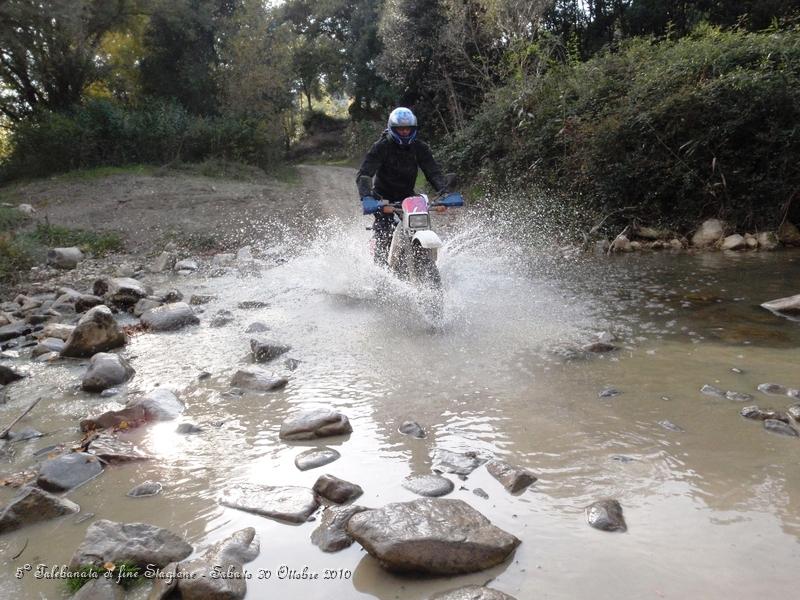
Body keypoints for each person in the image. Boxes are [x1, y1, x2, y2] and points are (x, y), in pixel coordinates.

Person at [356, 107, 447, 264]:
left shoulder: (420, 148)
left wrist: (446, 192)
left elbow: (433, 172)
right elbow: (365, 173)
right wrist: (367, 197)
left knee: (421, 226)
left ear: (414, 129)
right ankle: (381, 272)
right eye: (401, 129)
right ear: (392, 129)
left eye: (408, 129)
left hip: (407, 195)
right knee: (385, 231)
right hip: (383, 198)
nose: (405, 132)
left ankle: (422, 258)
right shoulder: (381, 146)